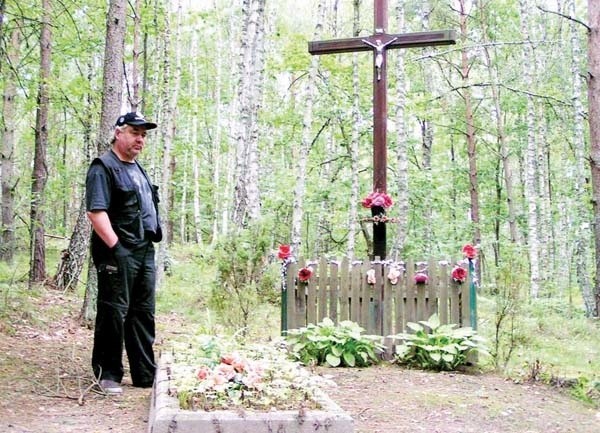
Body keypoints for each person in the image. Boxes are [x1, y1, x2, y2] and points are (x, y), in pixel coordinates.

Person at [85, 112, 162, 395]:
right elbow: (95, 211)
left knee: (143, 312)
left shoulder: (137, 168)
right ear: (118, 133)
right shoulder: (103, 167)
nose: (140, 139)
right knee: (113, 311)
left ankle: (144, 373)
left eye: (143, 134)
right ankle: (108, 374)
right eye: (134, 132)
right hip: (117, 251)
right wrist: (116, 247)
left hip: (143, 250)